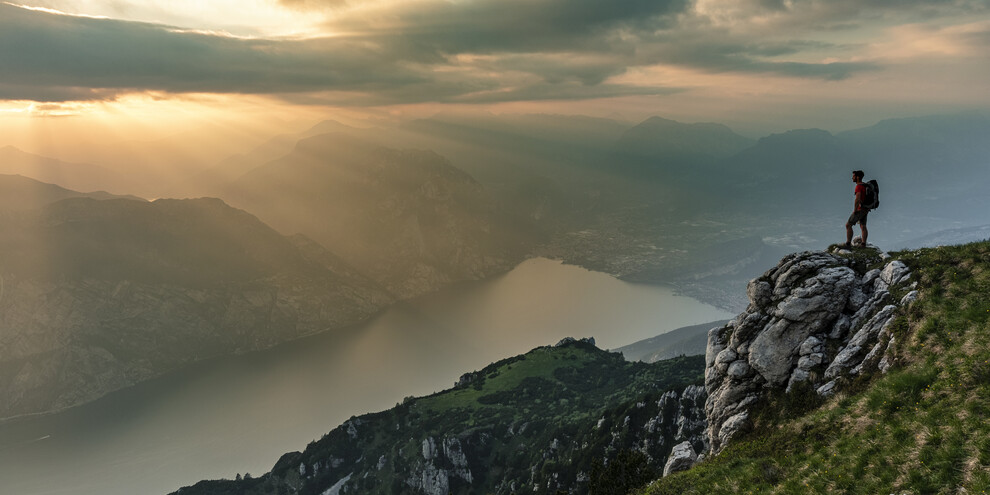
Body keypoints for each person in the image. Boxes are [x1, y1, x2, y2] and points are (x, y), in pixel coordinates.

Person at [844, 170, 868, 248]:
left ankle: (848, 243)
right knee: (863, 226)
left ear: (857, 177)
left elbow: (857, 199)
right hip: (866, 208)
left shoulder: (858, 186)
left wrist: (855, 210)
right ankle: (863, 244)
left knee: (848, 224)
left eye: (853, 176)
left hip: (860, 209)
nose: (852, 178)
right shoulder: (865, 185)